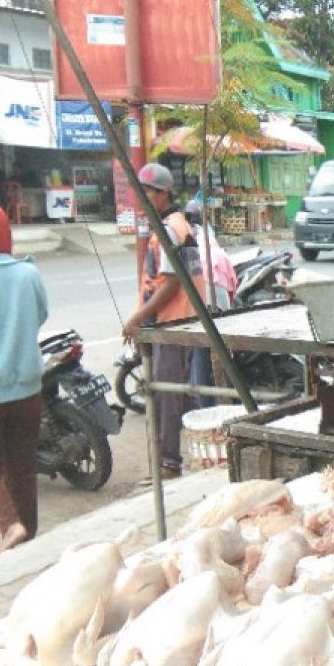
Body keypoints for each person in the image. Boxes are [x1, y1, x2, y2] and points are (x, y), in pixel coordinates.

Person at [121, 163, 207, 478]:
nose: (141, 201)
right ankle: (207, 444)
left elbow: (171, 283)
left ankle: (169, 464)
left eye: (145, 194)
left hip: (173, 323)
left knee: (168, 395)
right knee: (182, 393)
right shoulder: (176, 224)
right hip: (179, 322)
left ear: (161, 193)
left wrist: (137, 318)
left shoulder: (170, 228)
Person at [0, 203, 48, 551]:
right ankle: (29, 540)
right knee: (23, 466)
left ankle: (10, 526)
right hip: (27, 389)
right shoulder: (28, 275)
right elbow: (40, 316)